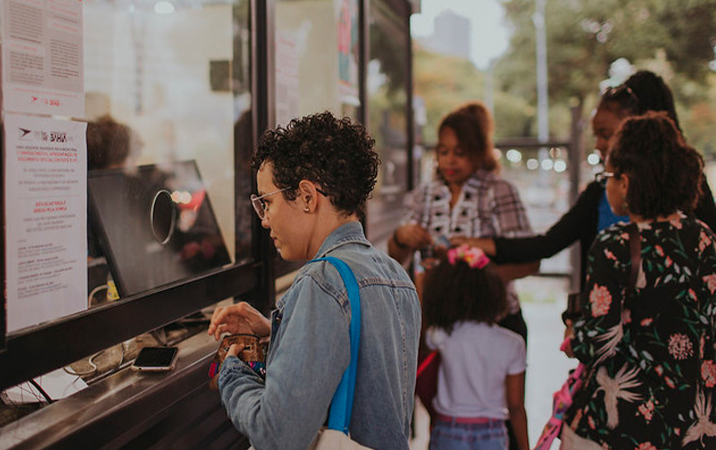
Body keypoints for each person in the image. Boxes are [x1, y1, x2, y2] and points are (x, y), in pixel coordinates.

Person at [208, 111, 421, 450]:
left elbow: (277, 434)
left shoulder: (321, 282)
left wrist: (231, 368)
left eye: (267, 203)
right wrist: (278, 329)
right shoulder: (396, 276)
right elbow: (364, 364)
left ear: (307, 196)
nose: (264, 221)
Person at [454, 71, 716, 290]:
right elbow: (548, 244)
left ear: (636, 130)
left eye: (607, 134)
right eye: (595, 133)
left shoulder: (684, 196)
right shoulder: (600, 195)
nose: (598, 144)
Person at [561, 112, 716, 449]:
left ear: (626, 182)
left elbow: (598, 341)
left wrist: (573, 332)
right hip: (693, 426)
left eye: (607, 175)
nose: (605, 183)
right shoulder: (709, 242)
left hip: (627, 426)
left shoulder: (617, 245)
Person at [388, 101, 538, 342]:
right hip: (435, 324)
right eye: (443, 151)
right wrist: (401, 237)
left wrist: (473, 279)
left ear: (479, 154)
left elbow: (530, 263)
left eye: (460, 152)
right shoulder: (424, 194)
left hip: (495, 322)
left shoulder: (499, 191)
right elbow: (396, 258)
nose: (450, 161)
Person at [422, 245, 529, 450]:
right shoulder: (513, 344)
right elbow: (516, 407)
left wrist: (422, 282)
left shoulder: (441, 334)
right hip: (492, 433)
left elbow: (420, 338)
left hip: (448, 430)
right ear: (495, 293)